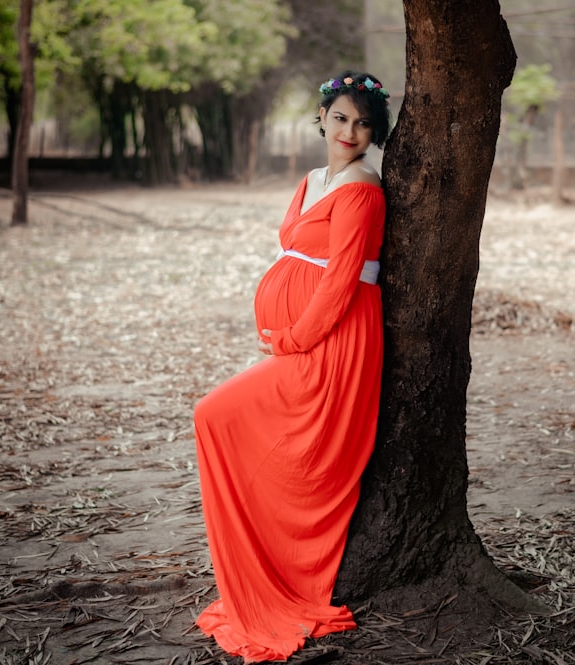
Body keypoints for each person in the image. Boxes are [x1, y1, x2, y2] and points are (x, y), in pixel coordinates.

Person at [192, 70, 392, 663]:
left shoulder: (363, 188)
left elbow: (339, 283)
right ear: (322, 120)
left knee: (215, 415)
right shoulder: (312, 180)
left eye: (362, 123)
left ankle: (276, 575)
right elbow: (295, 252)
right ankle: (254, 568)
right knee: (227, 426)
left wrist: (291, 339)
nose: (350, 131)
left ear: (373, 130)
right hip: (301, 338)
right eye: (340, 119)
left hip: (333, 344)